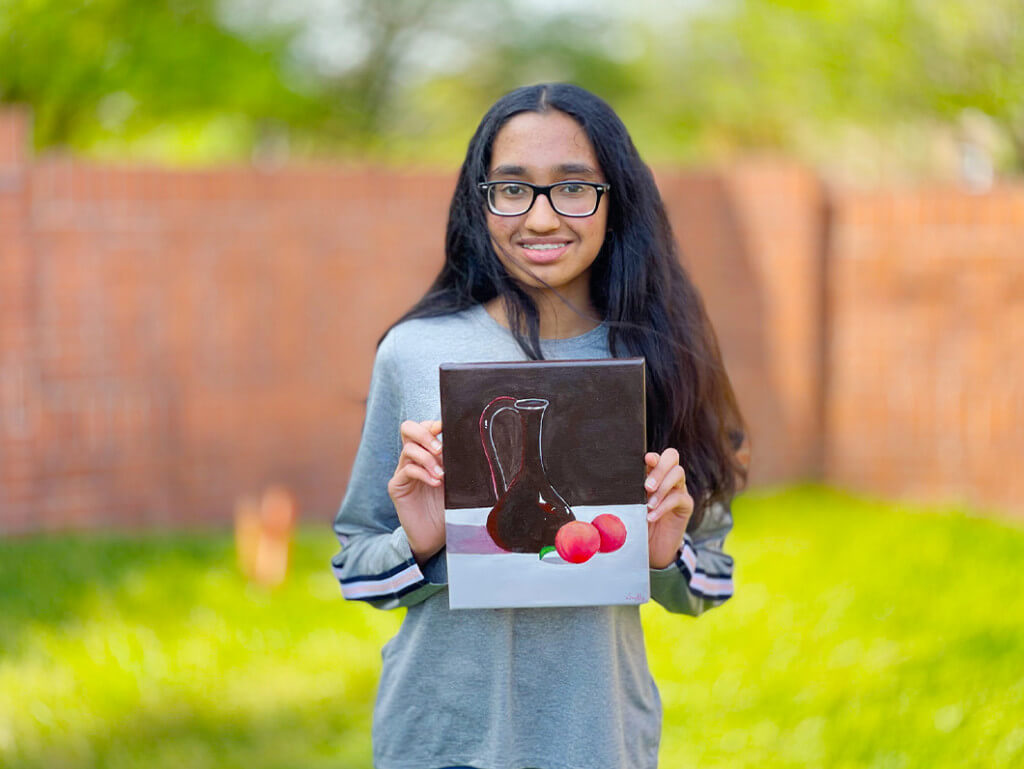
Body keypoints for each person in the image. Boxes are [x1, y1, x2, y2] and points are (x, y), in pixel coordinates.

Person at [332, 82, 747, 769]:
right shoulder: (414, 352)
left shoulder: (659, 357)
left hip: (597, 740)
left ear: (616, 200)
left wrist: (665, 552)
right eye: (513, 188)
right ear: (481, 202)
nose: (543, 217)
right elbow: (356, 568)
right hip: (441, 739)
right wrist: (421, 540)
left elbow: (713, 581)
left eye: (574, 186)